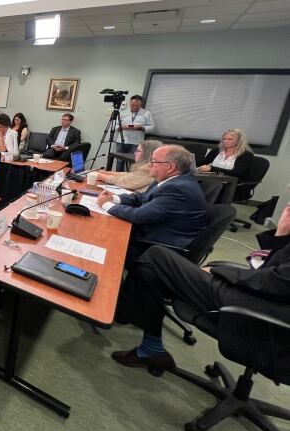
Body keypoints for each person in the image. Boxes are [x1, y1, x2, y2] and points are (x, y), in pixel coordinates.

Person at [111, 200, 290, 372]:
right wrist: (282, 234)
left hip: (258, 308)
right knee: (150, 272)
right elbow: (271, 269)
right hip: (260, 296)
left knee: (156, 256)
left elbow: (276, 281)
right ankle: (150, 346)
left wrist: (218, 271)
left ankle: (123, 315)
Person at [97, 144, 208, 258]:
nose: (149, 164)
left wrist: (106, 204)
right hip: (154, 231)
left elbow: (139, 215)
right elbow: (142, 197)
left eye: (154, 161)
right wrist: (115, 198)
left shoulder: (178, 188)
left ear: (170, 167)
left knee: (103, 236)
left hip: (159, 246)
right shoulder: (170, 179)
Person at [97, 139, 162, 192]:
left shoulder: (148, 169)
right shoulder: (150, 167)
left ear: (147, 154)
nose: (134, 153)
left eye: (138, 151)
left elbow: (123, 181)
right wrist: (105, 173)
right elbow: (128, 175)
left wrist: (97, 175)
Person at [115, 95, 155, 171]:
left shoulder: (147, 113)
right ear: (130, 103)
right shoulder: (123, 112)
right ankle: (118, 179)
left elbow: (152, 128)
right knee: (119, 161)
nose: (134, 107)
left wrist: (140, 128)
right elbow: (115, 125)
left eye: (137, 106)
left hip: (136, 143)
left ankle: (131, 180)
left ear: (141, 104)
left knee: (134, 163)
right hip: (121, 141)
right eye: (132, 105)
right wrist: (122, 127)